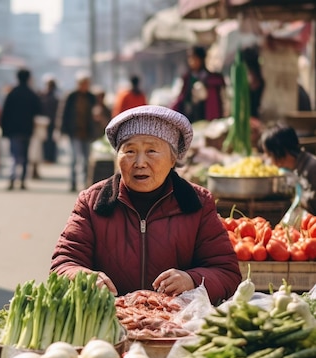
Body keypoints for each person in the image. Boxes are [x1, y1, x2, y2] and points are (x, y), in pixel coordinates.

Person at [50, 105, 241, 305]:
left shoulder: (196, 204)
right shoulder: (92, 203)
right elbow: (63, 264)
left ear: (173, 158)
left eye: (151, 151)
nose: (140, 162)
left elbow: (226, 272)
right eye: (130, 151)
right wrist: (84, 278)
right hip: (108, 321)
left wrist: (192, 280)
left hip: (174, 325)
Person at [260, 124, 316, 216]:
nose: (268, 159)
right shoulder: (298, 168)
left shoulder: (312, 169)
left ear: (281, 151)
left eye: (269, 154)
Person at [1, 68, 43, 189]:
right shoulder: (31, 93)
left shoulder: (12, 93)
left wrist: (4, 130)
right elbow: (39, 110)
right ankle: (23, 180)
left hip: (13, 130)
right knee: (24, 156)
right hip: (27, 130)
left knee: (14, 155)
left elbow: (5, 113)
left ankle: (12, 179)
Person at [60, 70, 97, 192]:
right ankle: (73, 182)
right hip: (74, 132)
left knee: (86, 160)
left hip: (87, 133)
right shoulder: (71, 96)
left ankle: (86, 183)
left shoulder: (91, 98)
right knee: (74, 159)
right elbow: (64, 114)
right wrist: (62, 129)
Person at [171, 45, 225, 123]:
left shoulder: (214, 79)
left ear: (201, 59)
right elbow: (180, 99)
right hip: (190, 120)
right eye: (190, 58)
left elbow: (221, 102)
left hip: (210, 121)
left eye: (194, 58)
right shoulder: (187, 79)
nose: (192, 61)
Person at [39, 74, 60, 164]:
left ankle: (50, 158)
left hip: (51, 121)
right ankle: (47, 157)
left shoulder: (54, 95)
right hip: (45, 122)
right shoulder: (44, 95)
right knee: (47, 141)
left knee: (51, 141)